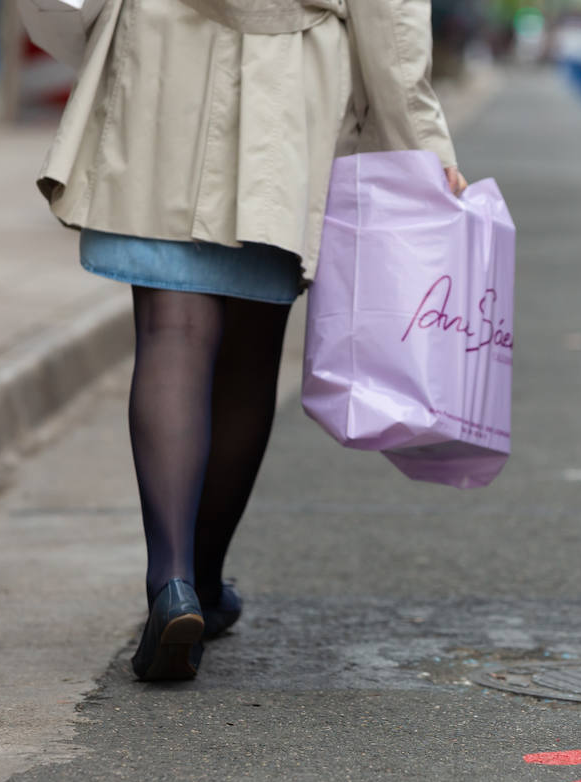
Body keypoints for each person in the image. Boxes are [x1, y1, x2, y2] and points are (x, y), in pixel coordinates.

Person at [35, 0, 466, 681]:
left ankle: (172, 581)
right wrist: (422, 144)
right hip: (285, 84)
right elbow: (389, 17)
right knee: (251, 354)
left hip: (163, 59)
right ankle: (203, 587)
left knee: (171, 329)